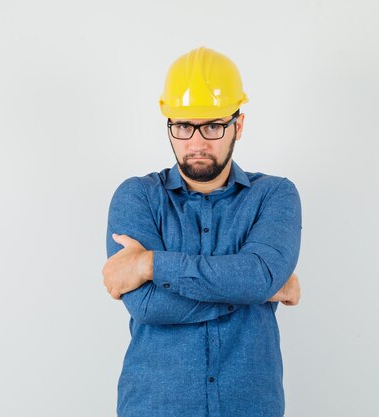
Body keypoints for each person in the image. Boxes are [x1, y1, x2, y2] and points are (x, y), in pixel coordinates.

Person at [102, 46, 303, 417]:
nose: (196, 143)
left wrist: (150, 265)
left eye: (212, 125)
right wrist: (259, 288)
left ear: (237, 126)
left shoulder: (274, 195)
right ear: (169, 125)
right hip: (154, 407)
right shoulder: (137, 196)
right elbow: (148, 305)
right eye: (182, 126)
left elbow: (257, 278)